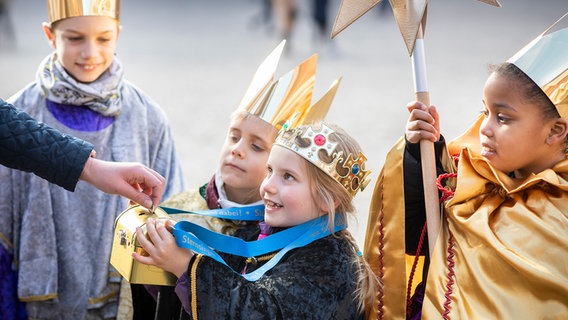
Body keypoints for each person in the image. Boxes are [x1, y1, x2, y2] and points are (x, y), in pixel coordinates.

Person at [364, 17, 568, 319]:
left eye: (503, 118)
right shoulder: (471, 177)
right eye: (484, 111)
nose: (484, 128)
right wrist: (422, 153)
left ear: (555, 131)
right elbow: (414, 238)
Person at [0, 0, 186, 318]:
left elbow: (172, 205)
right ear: (49, 34)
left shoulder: (147, 116)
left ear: (118, 34)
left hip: (120, 298)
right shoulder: (20, 113)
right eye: (74, 38)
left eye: (103, 38)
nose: (90, 53)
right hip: (42, 301)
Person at [138, 42, 339, 319]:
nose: (238, 149)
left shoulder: (289, 231)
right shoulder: (181, 209)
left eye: (257, 147)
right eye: (234, 136)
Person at [132, 121, 378, 319]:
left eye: (288, 177)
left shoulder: (332, 265)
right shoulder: (267, 231)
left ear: (328, 200)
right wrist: (180, 243)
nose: (268, 186)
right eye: (270, 171)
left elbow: (260, 311)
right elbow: (224, 264)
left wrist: (186, 267)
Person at [1, 98, 165, 209]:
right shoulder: (24, 100)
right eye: (75, 42)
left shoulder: (146, 110)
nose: (89, 53)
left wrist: (88, 167)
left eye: (103, 42)